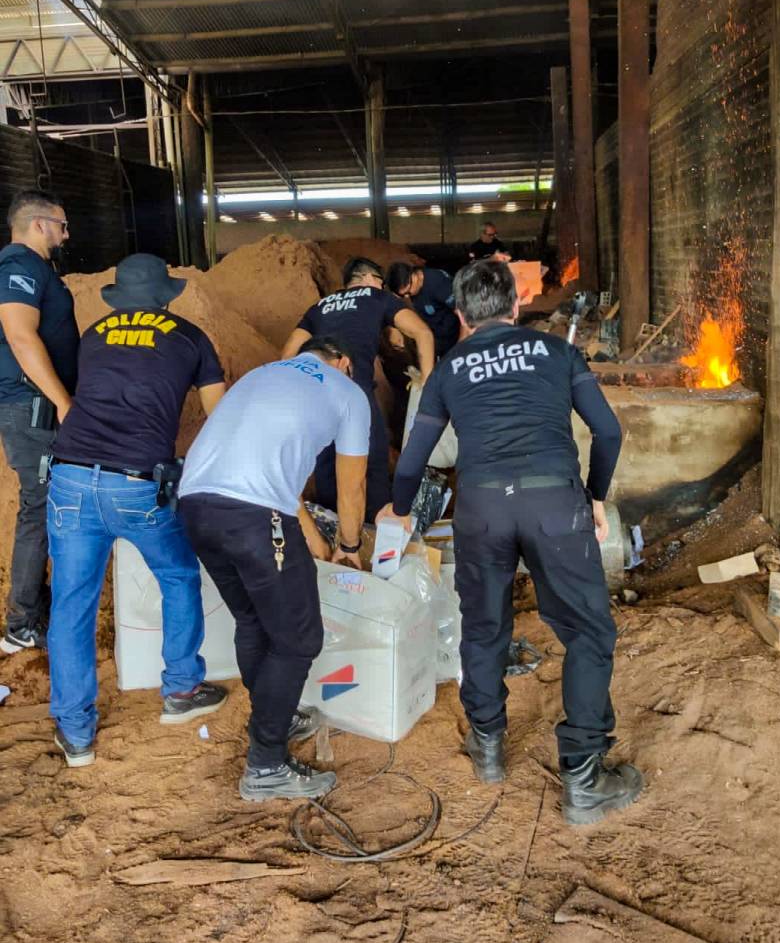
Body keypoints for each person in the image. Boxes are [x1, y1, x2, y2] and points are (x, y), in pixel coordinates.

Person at [378, 260, 643, 826]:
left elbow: (416, 455)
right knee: (588, 632)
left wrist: (399, 510)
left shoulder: (448, 370)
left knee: (484, 626)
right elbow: (608, 431)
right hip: (554, 504)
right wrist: (595, 496)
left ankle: (488, 748)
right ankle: (584, 778)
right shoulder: (558, 352)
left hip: (482, 508)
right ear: (517, 305)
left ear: (460, 314)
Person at [46, 254, 228, 768]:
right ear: (166, 297)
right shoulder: (190, 337)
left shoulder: (94, 335)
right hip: (137, 484)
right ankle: (181, 689)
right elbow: (220, 416)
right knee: (177, 575)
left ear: (119, 299)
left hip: (71, 477)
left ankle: (76, 733)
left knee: (72, 604)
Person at [179, 335, 371, 803]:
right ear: (343, 362)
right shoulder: (347, 391)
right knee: (299, 639)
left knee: (253, 620)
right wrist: (348, 546)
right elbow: (352, 484)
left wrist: (310, 538)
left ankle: (274, 718)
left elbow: (275, 475)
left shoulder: (262, 375)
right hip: (253, 516)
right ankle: (265, 765)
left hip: (194, 506)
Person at [282, 257, 434, 521]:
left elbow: (288, 355)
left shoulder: (319, 307)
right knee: (372, 464)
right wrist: (429, 385)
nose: (381, 286)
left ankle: (334, 530)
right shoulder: (377, 297)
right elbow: (423, 332)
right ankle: (374, 532)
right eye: (380, 281)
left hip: (315, 396)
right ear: (368, 278)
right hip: (353, 389)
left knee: (327, 468)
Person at [0, 190, 79, 655]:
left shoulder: (36, 270)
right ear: (39, 224)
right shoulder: (19, 267)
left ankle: (35, 608)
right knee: (39, 506)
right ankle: (22, 622)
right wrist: (62, 400)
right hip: (33, 407)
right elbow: (20, 336)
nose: (66, 235)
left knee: (45, 505)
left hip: (37, 406)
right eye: (62, 225)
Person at [385, 261, 460, 360]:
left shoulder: (437, 282)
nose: (407, 296)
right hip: (436, 338)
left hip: (453, 338)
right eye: (402, 295)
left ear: (414, 276)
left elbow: (461, 311)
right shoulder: (414, 289)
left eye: (408, 292)